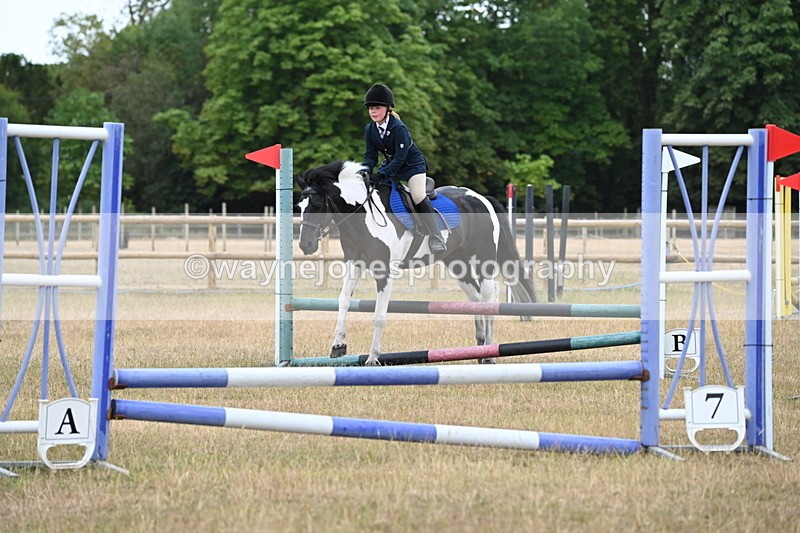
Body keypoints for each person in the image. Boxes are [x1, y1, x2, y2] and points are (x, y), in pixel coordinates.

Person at [360, 83, 447, 253]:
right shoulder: (370, 129)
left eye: (377, 108)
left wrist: (382, 173)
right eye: (371, 108)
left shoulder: (398, 127)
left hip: (412, 166)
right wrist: (365, 169)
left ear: (388, 109)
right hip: (393, 166)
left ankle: (436, 236)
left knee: (417, 195)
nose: (373, 112)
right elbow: (370, 155)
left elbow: (400, 157)